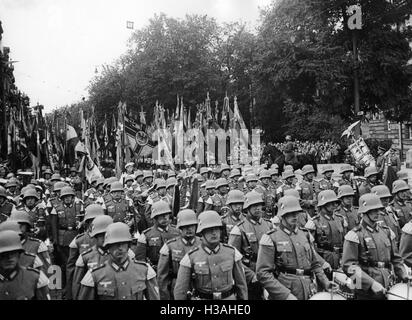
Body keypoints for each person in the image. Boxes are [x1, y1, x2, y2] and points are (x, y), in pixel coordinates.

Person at [256, 196, 331, 300]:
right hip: (285, 289)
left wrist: (326, 282)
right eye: (289, 213)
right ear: (282, 215)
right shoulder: (271, 237)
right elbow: (262, 273)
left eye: (296, 212)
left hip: (308, 289)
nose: (294, 216)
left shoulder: (305, 234)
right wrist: (285, 295)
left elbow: (315, 264)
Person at [342, 193, 409, 300]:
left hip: (387, 282)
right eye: (373, 210)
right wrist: (371, 284)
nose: (377, 213)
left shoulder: (386, 232)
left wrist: (404, 275)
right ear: (364, 212)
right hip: (364, 289)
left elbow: (396, 258)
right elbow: (349, 267)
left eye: (378, 209)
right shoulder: (355, 235)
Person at [174, 210, 248, 300]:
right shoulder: (191, 257)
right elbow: (180, 291)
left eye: (216, 228)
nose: (214, 232)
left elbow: (241, 286)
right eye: (209, 229)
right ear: (201, 233)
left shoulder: (232, 252)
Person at [77, 222, 159, 300]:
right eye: (115, 244)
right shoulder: (94, 275)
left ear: (128, 245)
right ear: (108, 247)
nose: (120, 248)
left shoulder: (144, 270)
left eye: (123, 243)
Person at [228, 191, 273, 300]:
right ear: (247, 208)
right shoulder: (239, 229)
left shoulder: (269, 225)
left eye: (259, 205)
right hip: (251, 273)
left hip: (269, 272)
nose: (258, 208)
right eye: (254, 206)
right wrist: (250, 275)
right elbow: (232, 257)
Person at [157, 209, 200, 300]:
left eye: (192, 226)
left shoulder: (202, 244)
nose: (189, 229)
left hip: (199, 288)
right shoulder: (170, 246)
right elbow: (162, 277)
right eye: (185, 226)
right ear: (180, 228)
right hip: (177, 289)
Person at [65, 204, 104, 300]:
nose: (95, 223)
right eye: (92, 220)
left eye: (98, 219)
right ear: (87, 222)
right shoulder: (79, 240)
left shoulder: (110, 238)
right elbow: (71, 269)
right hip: (85, 284)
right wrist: (71, 293)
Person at [0, 230, 50, 300]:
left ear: (19, 255)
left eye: (13, 253)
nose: (9, 258)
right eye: (3, 255)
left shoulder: (34, 277)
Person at [134, 200, 180, 271]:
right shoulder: (146, 235)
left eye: (166, 214)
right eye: (161, 215)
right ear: (155, 217)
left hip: (175, 272)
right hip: (155, 272)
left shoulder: (178, 232)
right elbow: (140, 260)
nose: (165, 217)